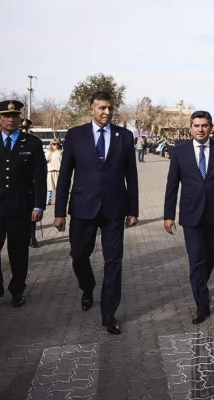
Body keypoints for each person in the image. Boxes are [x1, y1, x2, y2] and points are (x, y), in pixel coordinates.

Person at [54, 92, 139, 335]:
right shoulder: (75, 135)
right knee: (79, 255)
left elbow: (131, 176)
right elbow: (65, 174)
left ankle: (109, 313)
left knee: (114, 261)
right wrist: (59, 211)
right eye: (102, 108)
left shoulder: (124, 136)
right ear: (91, 109)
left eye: (110, 108)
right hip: (82, 207)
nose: (107, 112)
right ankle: (87, 287)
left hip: (114, 208)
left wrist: (133, 209)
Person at [163, 111, 214, 324]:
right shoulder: (179, 152)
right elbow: (172, 186)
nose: (200, 129)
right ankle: (202, 304)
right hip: (191, 215)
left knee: (211, 256)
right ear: (190, 128)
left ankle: (200, 286)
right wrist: (168, 215)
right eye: (196, 125)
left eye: (205, 125)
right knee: (196, 259)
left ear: (211, 127)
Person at [0, 100, 47, 312]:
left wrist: (39, 206)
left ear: (19, 119)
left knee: (19, 252)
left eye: (14, 116)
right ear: (0, 119)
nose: (10, 120)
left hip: (21, 208)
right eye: (6, 116)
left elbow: (40, 178)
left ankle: (17, 290)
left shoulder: (32, 143)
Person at [20, 118, 42, 249]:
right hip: (19, 187)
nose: (24, 131)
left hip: (31, 187)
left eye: (26, 129)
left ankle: (32, 237)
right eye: (22, 129)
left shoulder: (33, 143)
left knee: (32, 216)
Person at [46, 139, 62, 206]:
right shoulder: (49, 152)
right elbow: (46, 159)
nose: (55, 145)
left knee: (58, 187)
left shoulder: (60, 152)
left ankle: (59, 200)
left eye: (57, 144)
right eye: (54, 144)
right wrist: (50, 153)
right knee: (49, 187)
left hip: (58, 171)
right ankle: (48, 200)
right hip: (50, 171)